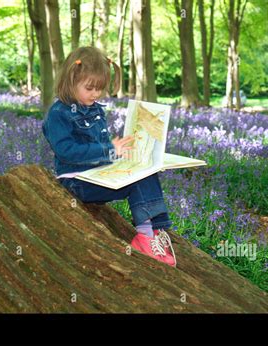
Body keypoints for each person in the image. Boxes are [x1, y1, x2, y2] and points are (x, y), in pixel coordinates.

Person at [42, 46, 176, 267]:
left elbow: (103, 146)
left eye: (100, 89)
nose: (95, 94)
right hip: (77, 181)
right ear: (70, 80)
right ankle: (144, 237)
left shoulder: (95, 109)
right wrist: (107, 150)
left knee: (146, 172)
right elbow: (66, 150)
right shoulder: (58, 114)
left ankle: (157, 231)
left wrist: (123, 153)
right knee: (137, 180)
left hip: (101, 174)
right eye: (90, 88)